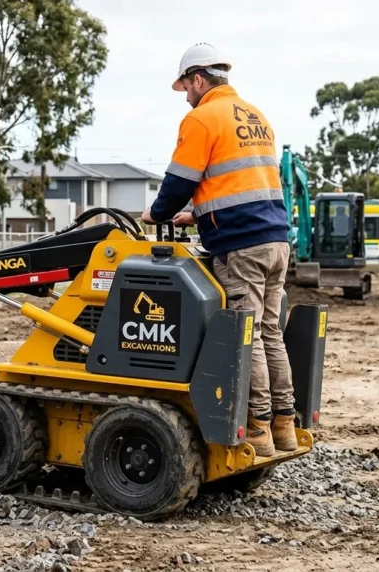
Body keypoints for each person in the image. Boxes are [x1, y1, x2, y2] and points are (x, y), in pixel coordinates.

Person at [141, 43, 296, 457]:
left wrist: (157, 213)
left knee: (247, 338)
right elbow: (241, 185)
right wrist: (198, 215)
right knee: (268, 331)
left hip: (242, 246)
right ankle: (285, 424)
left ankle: (259, 428)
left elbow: (178, 182)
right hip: (275, 240)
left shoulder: (202, 117)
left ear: (197, 78)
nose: (186, 98)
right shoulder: (255, 116)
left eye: (186, 88)